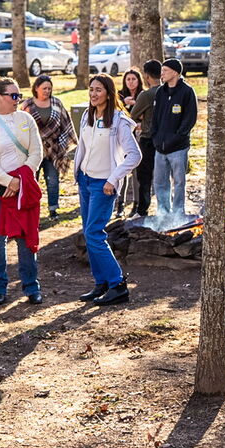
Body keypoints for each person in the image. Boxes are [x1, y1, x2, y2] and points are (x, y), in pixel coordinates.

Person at [0, 77, 45, 303]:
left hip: (22, 187)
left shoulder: (26, 118)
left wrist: (20, 181)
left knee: (25, 235)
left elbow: (36, 153)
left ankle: (32, 288)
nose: (17, 100)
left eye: (19, 96)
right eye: (13, 96)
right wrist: (7, 182)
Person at [74, 74, 139, 305]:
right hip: (85, 181)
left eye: (98, 90)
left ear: (109, 93)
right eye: (91, 89)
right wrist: (78, 173)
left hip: (104, 186)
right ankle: (101, 282)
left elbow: (134, 155)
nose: (93, 94)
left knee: (94, 234)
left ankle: (118, 284)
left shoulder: (119, 120)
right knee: (89, 233)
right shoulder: (87, 115)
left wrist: (113, 179)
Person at [21, 74, 76, 222]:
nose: (47, 91)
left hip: (53, 150)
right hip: (32, 150)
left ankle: (53, 209)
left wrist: (63, 145)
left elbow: (66, 124)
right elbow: (20, 127)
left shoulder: (56, 103)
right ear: (36, 88)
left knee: (52, 180)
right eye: (44, 88)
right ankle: (32, 210)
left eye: (49, 89)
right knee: (32, 180)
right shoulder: (27, 105)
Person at [150, 59, 198, 221]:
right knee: (159, 182)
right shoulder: (160, 92)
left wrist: (177, 137)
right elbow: (155, 118)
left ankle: (178, 212)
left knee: (178, 182)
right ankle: (163, 213)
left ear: (176, 72)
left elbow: (190, 119)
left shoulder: (187, 92)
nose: (161, 73)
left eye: (165, 70)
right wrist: (155, 137)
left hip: (178, 148)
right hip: (160, 147)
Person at [128, 62, 161, 217]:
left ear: (146, 76)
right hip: (166, 140)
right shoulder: (167, 91)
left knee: (144, 177)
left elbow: (132, 115)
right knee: (163, 178)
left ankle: (142, 211)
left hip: (148, 139)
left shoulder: (146, 95)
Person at [117, 67, 147, 215]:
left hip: (139, 136)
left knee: (136, 171)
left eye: (133, 79)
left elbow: (144, 117)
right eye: (128, 79)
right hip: (122, 137)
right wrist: (124, 102)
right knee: (121, 169)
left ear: (138, 80)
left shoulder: (143, 95)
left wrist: (134, 104)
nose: (130, 82)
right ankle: (120, 204)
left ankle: (136, 203)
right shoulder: (120, 96)